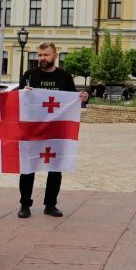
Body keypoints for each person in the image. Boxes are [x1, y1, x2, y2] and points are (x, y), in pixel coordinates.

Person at [17, 42, 87, 218]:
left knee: (55, 168)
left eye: (46, 55)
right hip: (33, 129)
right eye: (40, 55)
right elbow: (18, 99)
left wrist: (84, 97)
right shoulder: (29, 75)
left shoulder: (64, 77)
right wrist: (24, 92)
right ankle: (25, 205)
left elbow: (72, 100)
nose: (42, 58)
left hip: (56, 131)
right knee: (28, 167)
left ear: (55, 56)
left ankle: (50, 204)